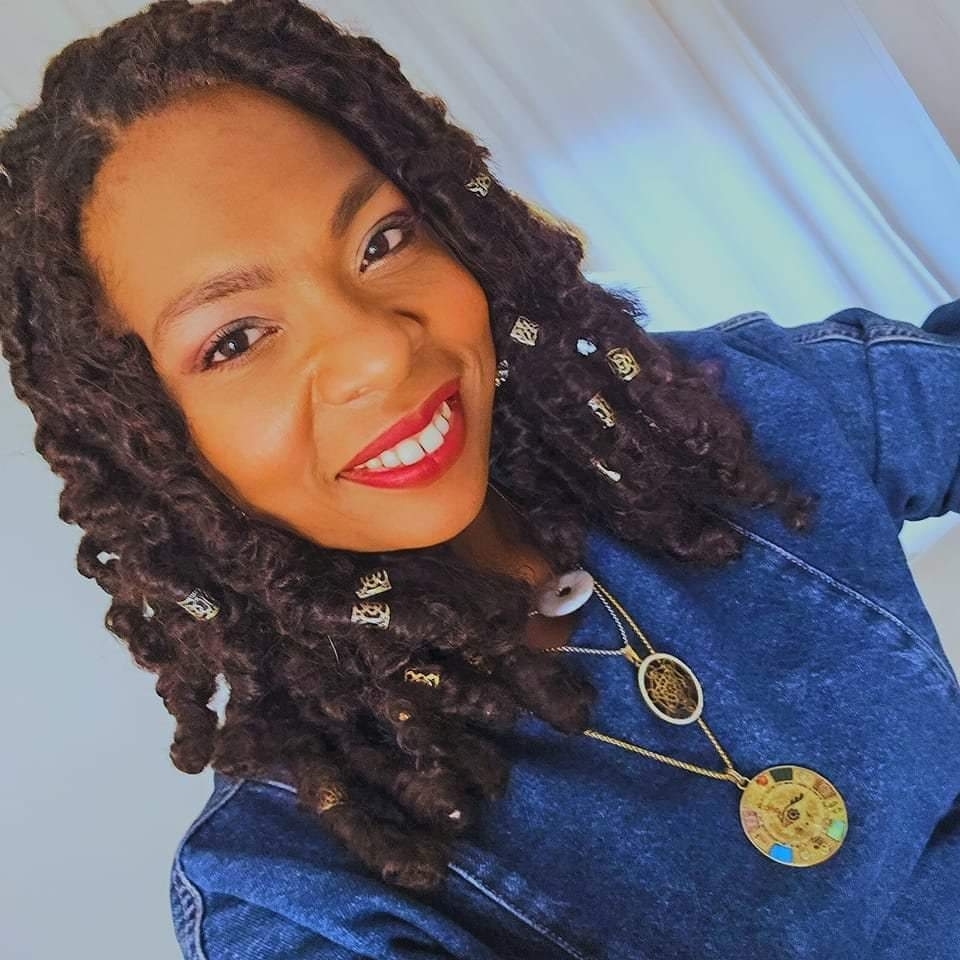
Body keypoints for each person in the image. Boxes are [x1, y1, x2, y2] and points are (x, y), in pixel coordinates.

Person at [1, 1, 957, 957]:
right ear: (146, 442)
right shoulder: (299, 893)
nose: (378, 348)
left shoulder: (711, 425)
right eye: (236, 338)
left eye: (382, 241)